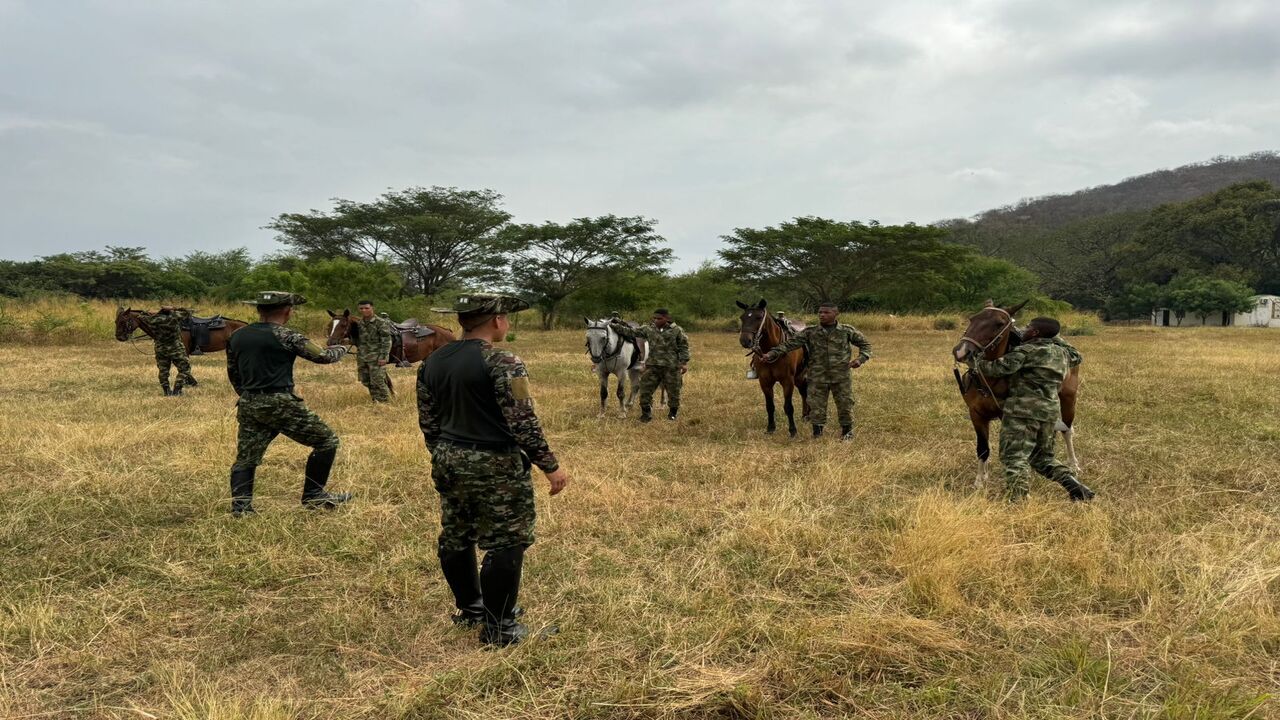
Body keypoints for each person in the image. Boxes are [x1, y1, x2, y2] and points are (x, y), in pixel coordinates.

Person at [418, 293, 570, 647]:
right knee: (507, 541)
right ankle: (500, 628)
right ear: (497, 321)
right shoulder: (503, 361)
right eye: (506, 318)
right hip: (495, 462)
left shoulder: (433, 361)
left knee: (457, 534)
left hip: (449, 457)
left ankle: (472, 610)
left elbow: (428, 421)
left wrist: (445, 455)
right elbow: (522, 420)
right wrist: (549, 465)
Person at [225, 291, 352, 516]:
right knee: (327, 441)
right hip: (279, 401)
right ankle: (314, 495)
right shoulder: (286, 335)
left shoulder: (238, 335)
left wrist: (250, 395)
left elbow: (233, 373)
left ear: (258, 310)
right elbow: (323, 356)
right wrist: (343, 347)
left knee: (246, 456)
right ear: (287, 311)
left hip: (248, 402)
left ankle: (241, 508)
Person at [970, 316, 1094, 502]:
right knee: (1044, 459)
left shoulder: (1025, 352)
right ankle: (1075, 486)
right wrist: (1055, 337)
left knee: (1014, 458)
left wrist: (974, 361)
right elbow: (1076, 354)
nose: (1024, 330)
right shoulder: (1062, 354)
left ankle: (1018, 501)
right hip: (1049, 414)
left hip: (1022, 413)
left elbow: (994, 369)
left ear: (1035, 333)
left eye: (1028, 327)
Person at [763, 301, 871, 441]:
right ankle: (817, 433)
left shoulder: (846, 331)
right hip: (817, 376)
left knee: (845, 404)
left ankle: (847, 432)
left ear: (836, 314)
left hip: (841, 376)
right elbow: (789, 345)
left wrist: (860, 359)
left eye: (826, 312)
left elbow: (866, 345)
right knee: (816, 405)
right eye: (820, 312)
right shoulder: (810, 332)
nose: (822, 315)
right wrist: (771, 354)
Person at [609, 309, 690, 421]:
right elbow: (630, 332)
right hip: (653, 366)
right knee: (645, 390)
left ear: (666, 318)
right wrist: (612, 325)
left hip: (671, 367)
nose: (656, 320)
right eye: (654, 318)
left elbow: (683, 346)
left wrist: (684, 362)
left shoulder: (676, 330)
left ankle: (672, 413)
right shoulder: (648, 329)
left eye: (659, 318)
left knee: (674, 392)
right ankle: (646, 414)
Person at [149, 305, 196, 396]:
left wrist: (158, 311)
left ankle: (166, 391)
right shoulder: (174, 317)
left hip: (161, 349)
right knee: (185, 369)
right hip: (176, 348)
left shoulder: (153, 320)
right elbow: (188, 312)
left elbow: (143, 316)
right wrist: (174, 308)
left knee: (163, 371)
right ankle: (177, 390)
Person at [355, 300, 394, 402]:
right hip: (363, 358)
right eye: (361, 308)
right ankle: (376, 400)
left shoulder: (380, 323)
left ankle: (385, 402)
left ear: (372, 308)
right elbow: (358, 340)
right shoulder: (359, 324)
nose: (364, 310)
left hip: (376, 358)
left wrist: (384, 357)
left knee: (378, 380)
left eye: (367, 308)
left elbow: (387, 341)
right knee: (366, 380)